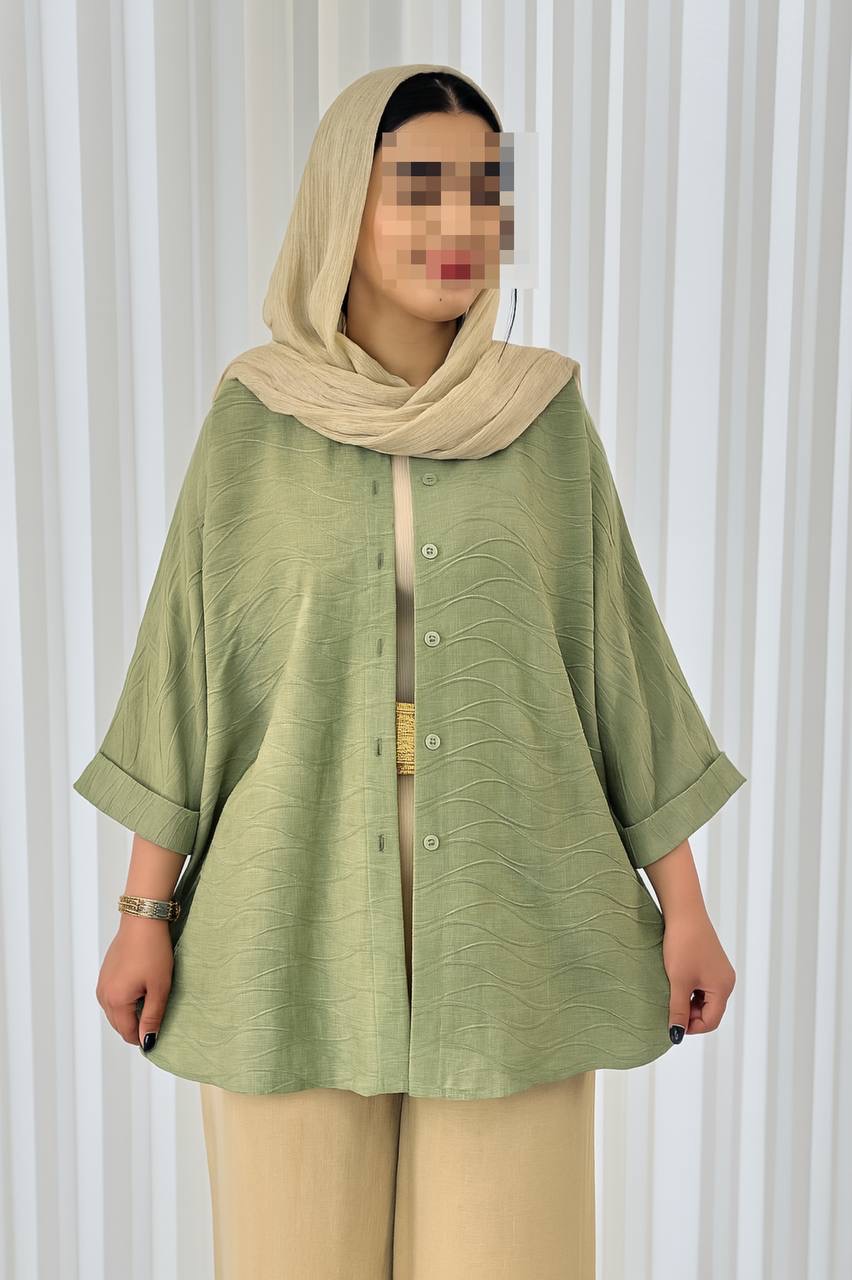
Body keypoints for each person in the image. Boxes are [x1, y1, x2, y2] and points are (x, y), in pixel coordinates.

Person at [73, 64, 747, 1279]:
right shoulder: (254, 420)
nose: (460, 221)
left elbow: (617, 664)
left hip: (515, 928)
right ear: (344, 203)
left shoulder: (541, 418)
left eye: (485, 189)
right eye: (420, 186)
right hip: (285, 927)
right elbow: (188, 672)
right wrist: (142, 916)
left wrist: (686, 905)